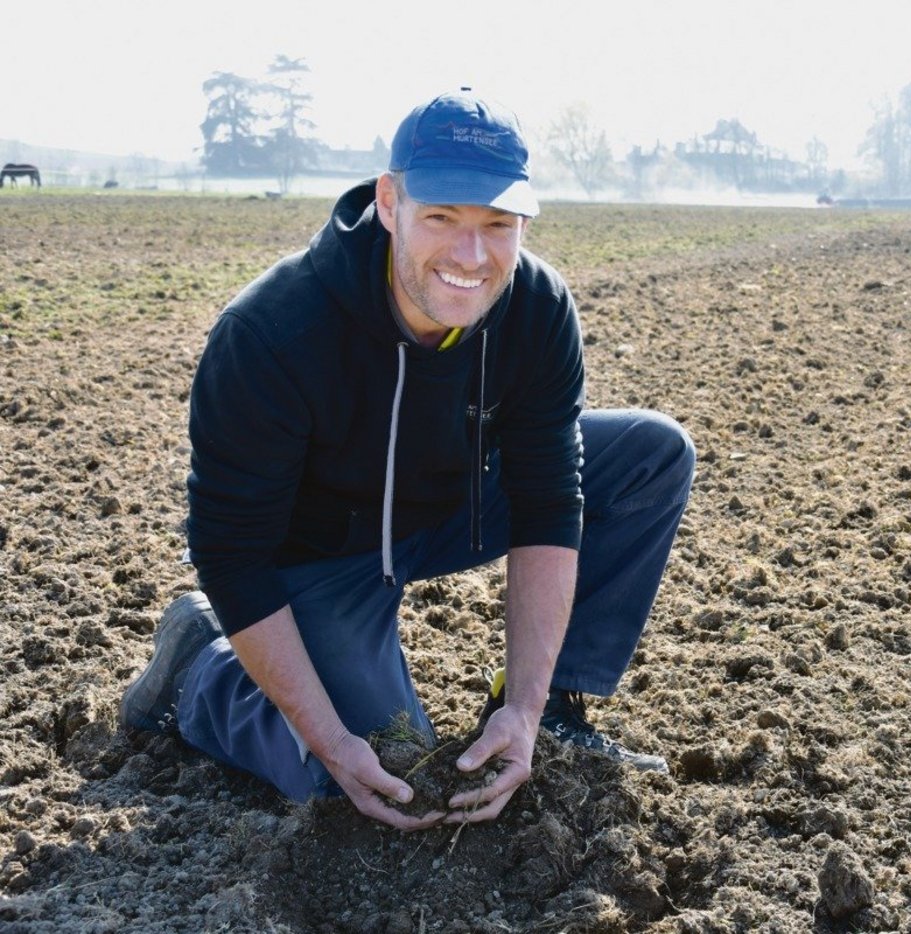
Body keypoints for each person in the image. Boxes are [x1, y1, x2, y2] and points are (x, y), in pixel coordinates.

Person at [119, 89, 695, 831]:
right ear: (390, 202)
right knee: (385, 782)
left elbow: (551, 499)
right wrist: (327, 737)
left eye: (498, 224)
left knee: (651, 455)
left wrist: (521, 702)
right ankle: (203, 670)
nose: (472, 254)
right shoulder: (270, 334)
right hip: (322, 555)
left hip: (453, 504)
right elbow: (231, 552)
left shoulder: (538, 308)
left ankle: (550, 718)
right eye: (442, 218)